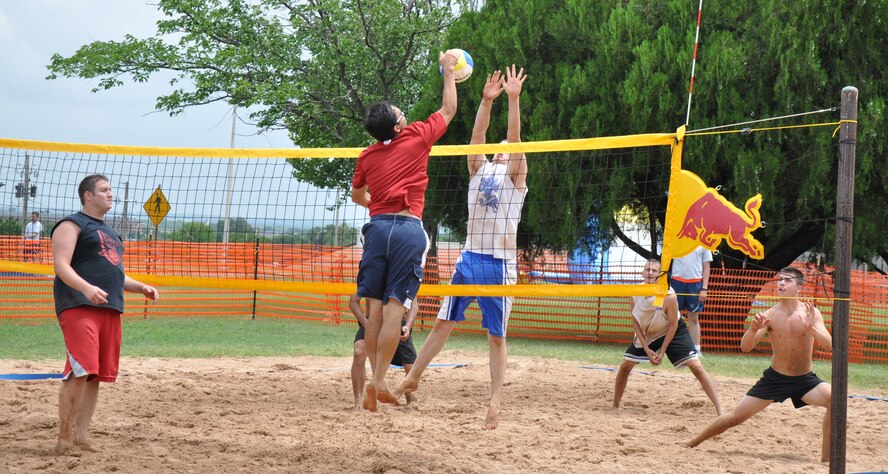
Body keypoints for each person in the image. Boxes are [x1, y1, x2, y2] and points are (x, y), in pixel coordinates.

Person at [397, 65, 528, 430]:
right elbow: (476, 136)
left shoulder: (516, 177)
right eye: (496, 150)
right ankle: (412, 378)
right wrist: (486, 102)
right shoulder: (479, 170)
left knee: (496, 337)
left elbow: (514, 141)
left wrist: (513, 101)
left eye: (505, 150)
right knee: (442, 323)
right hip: (470, 258)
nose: (500, 151)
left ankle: (495, 401)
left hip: (500, 265)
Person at [350, 50, 458, 412]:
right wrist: (447, 72)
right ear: (397, 126)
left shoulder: (367, 155)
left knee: (376, 308)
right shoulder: (415, 137)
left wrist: (376, 206)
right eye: (398, 112)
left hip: (378, 227)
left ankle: (373, 380)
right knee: (397, 305)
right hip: (410, 227)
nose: (402, 111)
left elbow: (357, 195)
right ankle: (378, 381)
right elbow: (448, 110)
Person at [51, 174, 159, 454]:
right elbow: (61, 266)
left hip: (109, 308)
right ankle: (64, 439)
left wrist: (142, 287)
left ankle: (81, 437)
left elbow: (116, 274)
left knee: (95, 375)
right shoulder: (71, 224)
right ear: (88, 195)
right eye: (104, 189)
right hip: (79, 304)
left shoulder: (111, 234)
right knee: (81, 370)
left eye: (110, 189)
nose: (110, 194)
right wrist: (86, 289)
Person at [687, 266, 832, 462]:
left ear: (799, 287)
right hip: (775, 379)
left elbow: (830, 346)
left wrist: (812, 328)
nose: (781, 283)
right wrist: (753, 329)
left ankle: (827, 460)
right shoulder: (770, 314)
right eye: (780, 279)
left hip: (804, 380)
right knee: (735, 418)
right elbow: (745, 347)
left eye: (787, 280)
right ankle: (693, 442)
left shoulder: (811, 313)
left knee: (836, 402)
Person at [612, 259, 722, 415]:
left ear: (660, 275)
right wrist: (646, 348)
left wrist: (662, 351)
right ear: (642, 273)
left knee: (696, 366)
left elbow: (673, 325)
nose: (650, 273)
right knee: (625, 366)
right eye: (647, 270)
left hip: (673, 330)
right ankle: (615, 405)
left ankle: (720, 409)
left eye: (654, 271)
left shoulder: (669, 295)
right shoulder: (635, 292)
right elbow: (635, 321)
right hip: (648, 332)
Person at [349, 294, 418, 410]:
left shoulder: (404, 276)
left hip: (396, 323)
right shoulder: (370, 276)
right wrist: (366, 323)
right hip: (372, 321)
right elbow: (353, 301)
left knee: (412, 370)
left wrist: (408, 325)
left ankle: (408, 398)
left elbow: (414, 304)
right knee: (359, 352)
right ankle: (358, 403)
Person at [670, 245, 712, 354]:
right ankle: (673, 348)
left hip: (695, 284)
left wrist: (704, 288)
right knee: (675, 317)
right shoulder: (677, 239)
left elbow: (706, 266)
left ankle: (696, 350)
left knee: (693, 318)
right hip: (676, 281)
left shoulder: (704, 241)